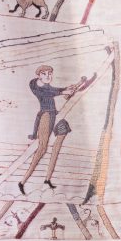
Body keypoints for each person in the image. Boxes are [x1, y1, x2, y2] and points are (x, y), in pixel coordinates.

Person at [19, 65, 84, 195]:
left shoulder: (48, 87)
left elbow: (55, 90)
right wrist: (63, 91)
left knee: (62, 132)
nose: (48, 76)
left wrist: (68, 89)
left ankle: (48, 178)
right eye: (44, 74)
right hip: (46, 116)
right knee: (42, 148)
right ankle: (23, 181)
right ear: (39, 75)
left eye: (50, 73)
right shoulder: (36, 87)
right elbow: (49, 92)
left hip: (55, 115)